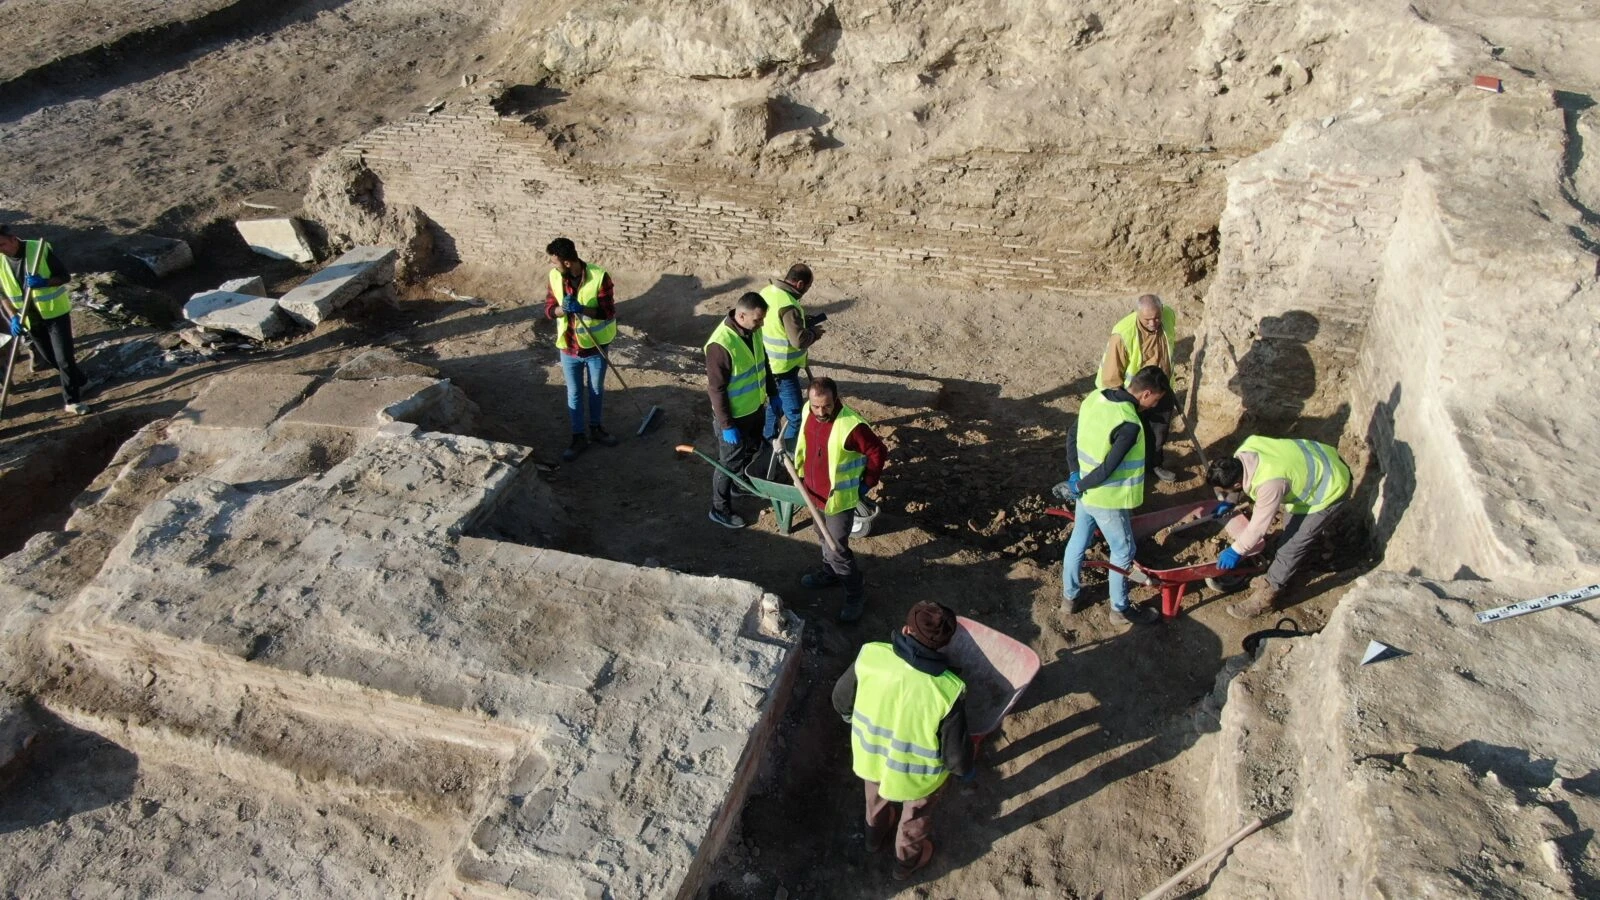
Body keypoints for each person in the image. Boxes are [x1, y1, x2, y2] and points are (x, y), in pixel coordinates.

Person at [831, 600, 972, 881]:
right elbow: (955, 758)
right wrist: (964, 769)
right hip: (918, 781)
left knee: (875, 801)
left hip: (872, 760)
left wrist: (853, 720)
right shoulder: (948, 690)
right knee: (914, 821)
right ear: (944, 645)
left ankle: (874, 838)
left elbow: (840, 700)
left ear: (906, 630)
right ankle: (905, 865)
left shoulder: (870, 656)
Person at [1055, 366, 1171, 626]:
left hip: (1085, 493)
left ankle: (1069, 598)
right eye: (1156, 399)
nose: (1155, 405)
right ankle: (1120, 610)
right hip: (1106, 499)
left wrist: (1076, 476)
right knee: (1124, 550)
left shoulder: (1096, 397)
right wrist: (1080, 483)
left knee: (1078, 541)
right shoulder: (1129, 422)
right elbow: (1108, 468)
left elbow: (1072, 435)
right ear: (1146, 394)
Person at [1205, 436, 1352, 619]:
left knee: (1291, 545)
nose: (1224, 493)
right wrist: (1230, 500)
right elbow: (1240, 482)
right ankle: (1312, 546)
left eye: (1225, 490)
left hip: (1331, 488)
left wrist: (1236, 550)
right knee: (1289, 531)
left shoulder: (1270, 485)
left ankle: (1268, 595)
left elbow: (1257, 529)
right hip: (1319, 461)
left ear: (1236, 484)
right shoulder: (1245, 451)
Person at [794, 377, 887, 623]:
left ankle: (856, 594)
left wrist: (867, 483)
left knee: (837, 549)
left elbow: (877, 451)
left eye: (826, 406)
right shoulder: (808, 411)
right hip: (813, 493)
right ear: (809, 401)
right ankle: (829, 574)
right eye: (816, 406)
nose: (821, 412)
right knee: (821, 534)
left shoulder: (851, 426)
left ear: (835, 399)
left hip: (838, 499)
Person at [544, 237, 619, 462]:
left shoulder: (599, 276)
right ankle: (578, 437)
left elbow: (608, 312)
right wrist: (560, 310)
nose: (553, 266)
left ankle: (596, 429)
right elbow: (548, 309)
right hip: (568, 348)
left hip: (595, 347)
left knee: (596, 390)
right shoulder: (554, 276)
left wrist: (582, 309)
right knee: (574, 393)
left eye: (555, 262)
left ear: (567, 262)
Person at [704, 291, 774, 529]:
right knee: (728, 464)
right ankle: (719, 509)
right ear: (741, 315)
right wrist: (726, 425)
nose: (762, 323)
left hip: (754, 408)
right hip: (734, 419)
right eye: (758, 319)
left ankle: (739, 485)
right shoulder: (720, 344)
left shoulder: (752, 330)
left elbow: (763, 363)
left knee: (751, 450)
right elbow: (716, 390)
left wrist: (773, 394)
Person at [0, 226, 87, 415]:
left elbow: (64, 276)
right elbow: (2, 294)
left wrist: (44, 282)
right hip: (29, 317)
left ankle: (73, 401)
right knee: (49, 357)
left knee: (64, 357)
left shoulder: (38, 249)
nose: (1, 249)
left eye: (2, 244)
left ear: (13, 239)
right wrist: (13, 316)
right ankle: (80, 381)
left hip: (54, 312)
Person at [1097, 294, 1179, 483]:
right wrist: (1122, 403)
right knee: (1133, 434)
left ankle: (1154, 464)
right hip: (1133, 395)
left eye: (1156, 317)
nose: (1153, 323)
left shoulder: (1168, 315)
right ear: (1137, 313)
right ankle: (1130, 471)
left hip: (1161, 389)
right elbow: (1110, 376)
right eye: (1147, 319)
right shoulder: (1123, 333)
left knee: (1159, 431)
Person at [759, 263, 824, 448]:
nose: (806, 292)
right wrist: (813, 334)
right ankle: (787, 456)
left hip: (768, 364)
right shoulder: (789, 305)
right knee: (795, 416)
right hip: (783, 369)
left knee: (774, 406)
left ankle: (767, 443)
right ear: (800, 284)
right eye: (808, 288)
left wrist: (801, 322)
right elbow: (798, 341)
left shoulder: (767, 291)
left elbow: (776, 325)